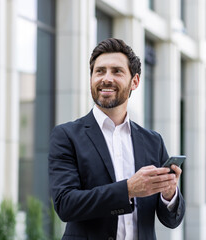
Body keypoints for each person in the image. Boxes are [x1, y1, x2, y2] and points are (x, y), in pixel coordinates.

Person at [48, 38, 185, 240]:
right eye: (100, 71)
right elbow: (65, 205)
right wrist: (128, 189)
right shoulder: (66, 136)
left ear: (135, 81)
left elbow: (171, 220)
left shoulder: (153, 141)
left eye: (117, 71)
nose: (106, 78)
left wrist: (169, 194)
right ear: (91, 79)